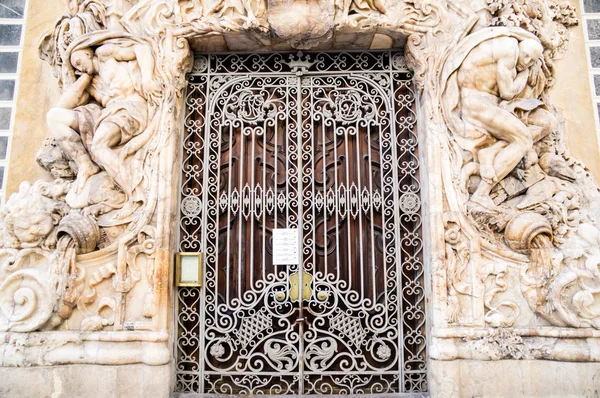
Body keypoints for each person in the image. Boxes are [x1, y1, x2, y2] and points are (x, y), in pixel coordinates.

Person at [46, 40, 160, 219]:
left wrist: (147, 79)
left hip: (132, 109)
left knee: (99, 146)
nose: (78, 67)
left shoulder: (106, 54)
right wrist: (83, 79)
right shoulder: (90, 84)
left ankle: (134, 197)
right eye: (74, 66)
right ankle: (86, 166)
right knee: (54, 117)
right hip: (108, 116)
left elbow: (142, 48)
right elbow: (61, 106)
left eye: (78, 61)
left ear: (87, 52)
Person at [456, 36, 555, 210]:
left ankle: (489, 153)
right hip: (478, 103)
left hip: (485, 103)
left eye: (531, 61)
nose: (526, 62)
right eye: (526, 56)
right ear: (520, 46)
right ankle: (481, 194)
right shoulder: (510, 51)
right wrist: (524, 74)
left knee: (539, 126)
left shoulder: (504, 46)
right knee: (523, 140)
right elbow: (508, 92)